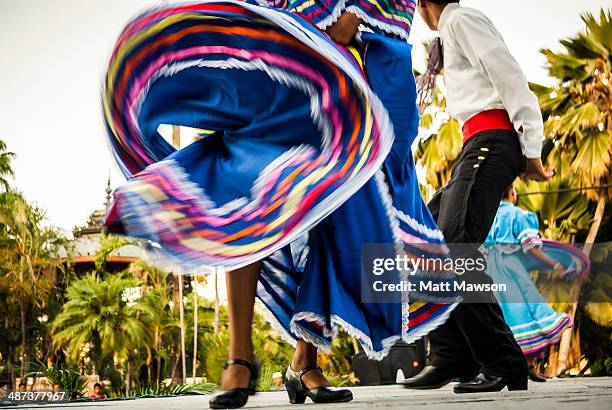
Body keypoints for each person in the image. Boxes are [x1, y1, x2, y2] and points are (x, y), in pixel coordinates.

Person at [102, 1, 457, 408]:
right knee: (243, 179)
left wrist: (361, 15)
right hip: (278, 51)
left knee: (342, 205)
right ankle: (239, 357)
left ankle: (305, 361)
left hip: (357, 61)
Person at [403, 0, 554, 394]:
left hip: (493, 139)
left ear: (421, 6)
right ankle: (454, 355)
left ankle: (502, 362)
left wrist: (531, 148)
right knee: (428, 238)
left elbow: (509, 76)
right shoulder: (451, 28)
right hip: (477, 143)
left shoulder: (460, 19)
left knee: (455, 249)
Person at [484, 184, 582, 382]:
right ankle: (525, 367)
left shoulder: (489, 215)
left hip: (491, 268)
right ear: (512, 193)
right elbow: (530, 247)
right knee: (527, 308)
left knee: (505, 314)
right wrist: (554, 264)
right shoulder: (517, 214)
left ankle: (513, 367)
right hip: (511, 266)